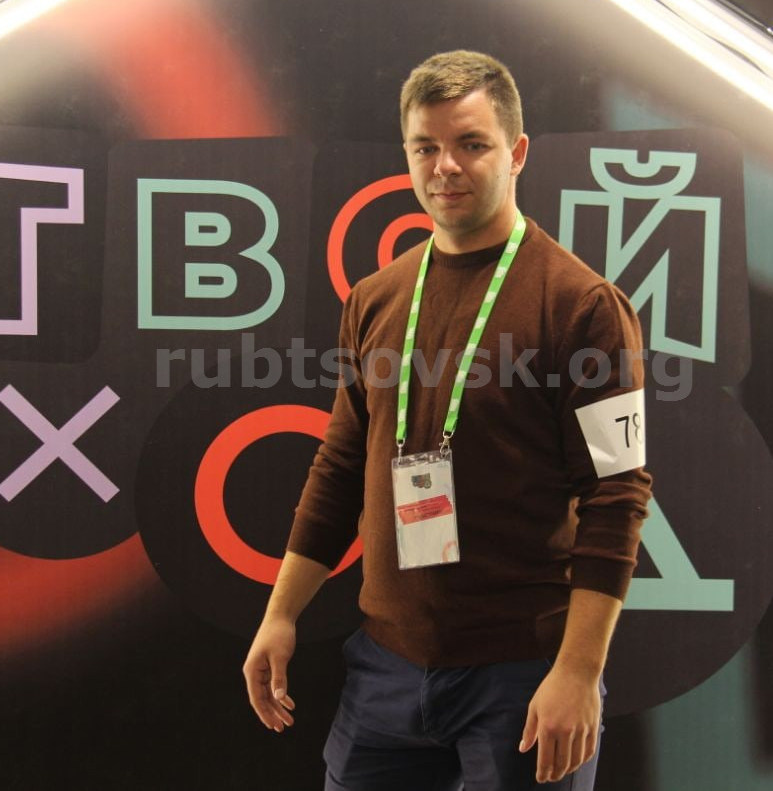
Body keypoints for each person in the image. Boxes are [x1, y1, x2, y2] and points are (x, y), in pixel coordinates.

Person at [243, 50, 651, 790]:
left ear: (516, 152)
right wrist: (281, 614)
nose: (446, 167)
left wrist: (577, 671)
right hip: (385, 669)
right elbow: (340, 465)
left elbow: (616, 494)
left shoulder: (583, 306)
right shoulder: (375, 297)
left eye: (471, 144)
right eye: (425, 147)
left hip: (523, 675)